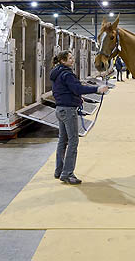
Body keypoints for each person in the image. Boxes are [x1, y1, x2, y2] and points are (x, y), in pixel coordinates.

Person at [50, 50, 108, 185]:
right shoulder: (67, 74)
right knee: (73, 141)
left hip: (60, 109)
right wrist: (97, 89)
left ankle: (59, 170)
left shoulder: (57, 72)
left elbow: (70, 89)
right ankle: (68, 173)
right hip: (68, 111)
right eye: (70, 58)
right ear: (63, 61)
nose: (72, 60)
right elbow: (77, 89)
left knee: (62, 140)